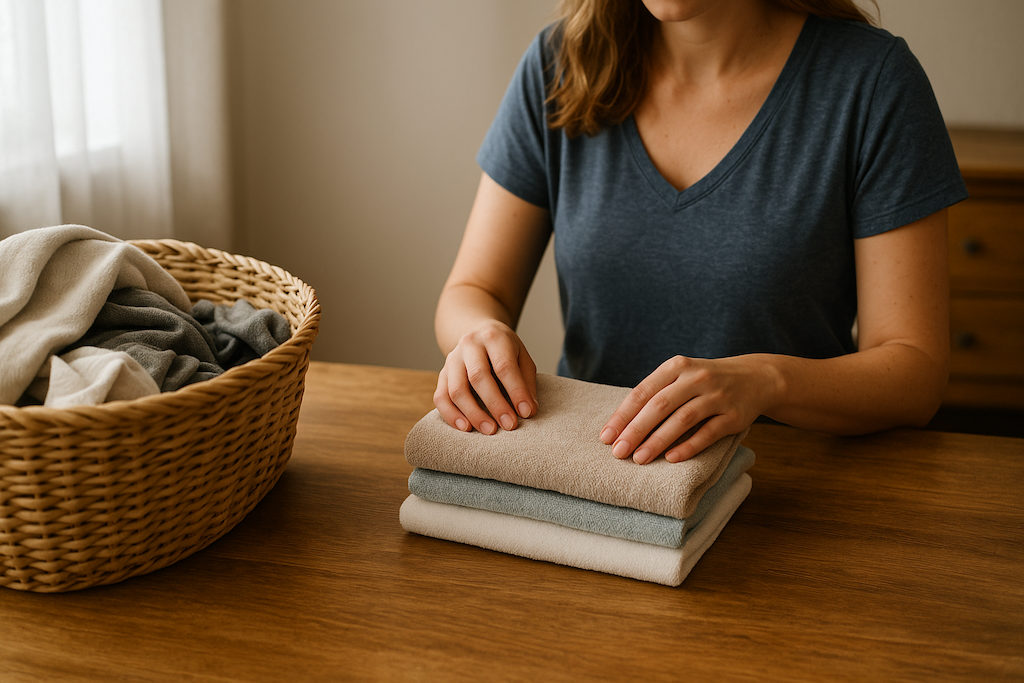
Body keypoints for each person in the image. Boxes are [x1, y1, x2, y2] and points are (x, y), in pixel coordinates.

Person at [433, 0, 968, 465]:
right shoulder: (558, 66)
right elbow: (475, 292)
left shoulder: (873, 81)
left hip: (791, 495)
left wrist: (765, 382)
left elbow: (913, 371)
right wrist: (478, 335)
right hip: (588, 483)